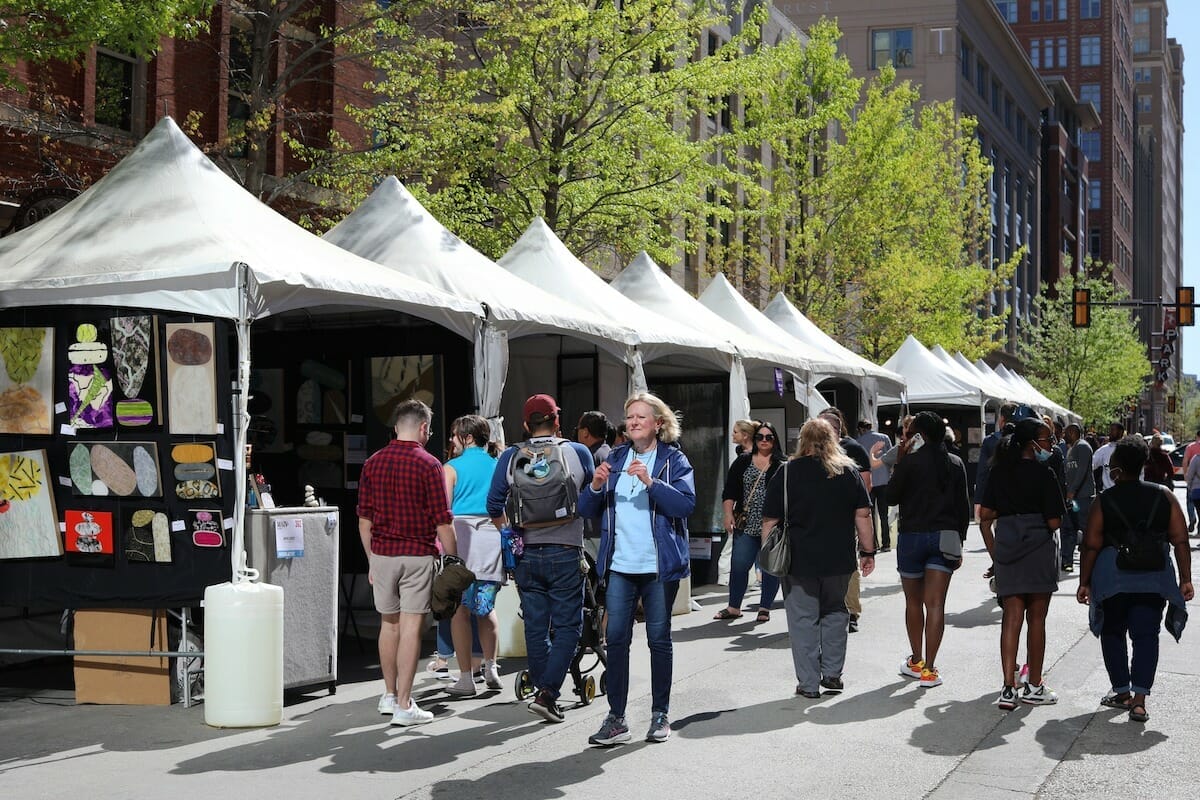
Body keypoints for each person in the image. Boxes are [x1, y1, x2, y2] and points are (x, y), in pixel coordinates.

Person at [581, 393, 695, 745]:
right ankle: (616, 718)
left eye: (640, 417)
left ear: (658, 424)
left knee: (659, 641)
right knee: (616, 641)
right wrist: (595, 486)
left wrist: (651, 482)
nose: (632, 422)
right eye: (629, 416)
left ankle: (660, 714)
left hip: (658, 567)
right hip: (620, 565)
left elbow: (685, 505)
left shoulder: (673, 460)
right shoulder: (614, 458)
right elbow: (587, 508)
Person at [487, 394, 594, 723]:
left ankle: (542, 688)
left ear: (524, 425)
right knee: (567, 627)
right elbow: (589, 497)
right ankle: (548, 692)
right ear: (557, 421)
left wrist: (512, 535)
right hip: (566, 550)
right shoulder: (576, 452)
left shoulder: (510, 457)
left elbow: (493, 505)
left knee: (535, 626)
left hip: (527, 554)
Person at [1077, 435, 1193, 724]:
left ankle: (1122, 692)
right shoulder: (1164, 495)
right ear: (1143, 463)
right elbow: (1180, 540)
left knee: (1113, 632)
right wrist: (1186, 579)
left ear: (1116, 467)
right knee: (1146, 636)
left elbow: (1091, 544)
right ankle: (1139, 701)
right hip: (1154, 578)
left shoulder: (1104, 500)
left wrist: (1084, 581)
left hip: (1113, 578)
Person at [357, 399, 457, 727]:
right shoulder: (428, 464)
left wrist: (372, 560)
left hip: (383, 554)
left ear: (397, 425)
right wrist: (453, 560)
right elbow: (443, 521)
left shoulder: (372, 463)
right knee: (412, 627)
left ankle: (388, 695)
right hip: (417, 554)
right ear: (424, 428)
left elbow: (364, 520)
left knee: (389, 624)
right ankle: (404, 704)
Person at [763, 418, 875, 698]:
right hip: (839, 559)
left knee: (802, 619)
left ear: (802, 441)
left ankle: (809, 684)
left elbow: (770, 519)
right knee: (836, 612)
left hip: (798, 560)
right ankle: (833, 674)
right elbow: (863, 514)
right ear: (832, 440)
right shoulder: (848, 472)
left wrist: (766, 553)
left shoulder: (787, 473)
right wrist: (868, 550)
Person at [978, 418, 1065, 710]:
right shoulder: (1045, 474)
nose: (1050, 445)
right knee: (1037, 619)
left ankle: (1007, 687)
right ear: (1032, 443)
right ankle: (1034, 685)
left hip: (1009, 548)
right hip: (1039, 549)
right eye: (1046, 439)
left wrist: (995, 554)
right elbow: (1055, 521)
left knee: (1011, 619)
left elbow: (985, 517)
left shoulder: (998, 472)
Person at [886, 411, 970, 689]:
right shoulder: (955, 463)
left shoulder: (909, 463)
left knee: (913, 603)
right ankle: (930, 670)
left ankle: (916, 660)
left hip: (911, 537)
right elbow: (963, 509)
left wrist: (899, 462)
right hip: (945, 537)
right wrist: (959, 542)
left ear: (919, 435)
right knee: (935, 605)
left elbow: (890, 498)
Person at [443, 415, 505, 697]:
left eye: (455, 436)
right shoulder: (497, 464)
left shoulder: (451, 468)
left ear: (466, 438)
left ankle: (466, 677)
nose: (451, 441)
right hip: (492, 536)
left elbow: (443, 509)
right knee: (486, 607)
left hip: (462, 537)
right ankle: (491, 667)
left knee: (459, 610)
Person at [715, 420, 784, 622]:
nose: (764, 440)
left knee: (770, 568)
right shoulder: (743, 461)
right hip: (747, 522)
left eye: (768, 437)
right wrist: (728, 515)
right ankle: (734, 606)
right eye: (760, 437)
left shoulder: (782, 464)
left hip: (773, 524)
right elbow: (729, 492)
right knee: (739, 565)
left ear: (775, 440)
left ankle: (764, 608)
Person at [819, 408, 872, 633]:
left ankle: (850, 611)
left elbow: (865, 485)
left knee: (848, 565)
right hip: (817, 520)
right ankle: (825, 609)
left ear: (836, 429)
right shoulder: (812, 452)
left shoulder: (853, 449)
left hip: (846, 518)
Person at [1061, 423, 1096, 573]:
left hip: (1082, 497)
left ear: (1073, 432)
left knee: (1085, 528)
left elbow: (1081, 471)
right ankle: (1067, 561)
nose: (1064, 435)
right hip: (1072, 498)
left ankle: (1089, 561)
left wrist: (1072, 490)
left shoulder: (1082, 447)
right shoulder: (1071, 448)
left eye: (1066, 432)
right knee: (1068, 528)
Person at [974, 402, 1019, 517]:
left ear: (1002, 418)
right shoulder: (1026, 439)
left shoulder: (991, 441)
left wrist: (979, 499)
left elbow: (982, 472)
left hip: (997, 496)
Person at [857, 419, 894, 553]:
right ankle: (886, 543)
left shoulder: (859, 441)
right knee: (884, 514)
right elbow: (891, 457)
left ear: (861, 429)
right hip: (883, 480)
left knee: (869, 515)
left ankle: (872, 543)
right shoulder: (884, 438)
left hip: (868, 482)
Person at [1092, 422, 1126, 492]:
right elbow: (1091, 465)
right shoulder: (1103, 450)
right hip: (1108, 493)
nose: (1109, 433)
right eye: (1109, 430)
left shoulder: (1128, 449)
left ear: (1120, 432)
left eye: (1112, 430)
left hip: (1124, 493)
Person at [1182, 429, 1200, 532]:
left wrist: (1186, 475)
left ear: (1197, 436)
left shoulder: (1191, 447)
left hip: (1193, 480)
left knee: (1190, 501)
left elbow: (1185, 461)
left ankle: (1192, 518)